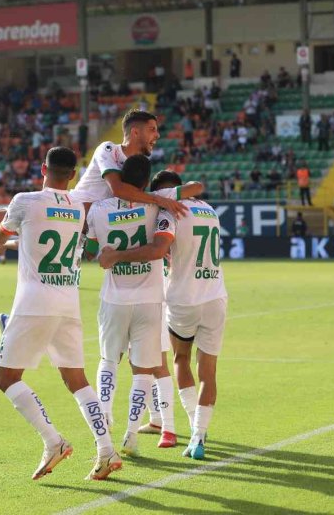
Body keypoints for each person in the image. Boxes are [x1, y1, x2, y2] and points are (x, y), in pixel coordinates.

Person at [0, 146, 122, 481]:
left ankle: (54, 441)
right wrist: (12, 240)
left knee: (6, 378)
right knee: (77, 380)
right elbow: (64, 243)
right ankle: (106, 451)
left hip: (34, 303)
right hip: (68, 301)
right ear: (73, 175)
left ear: (42, 168)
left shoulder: (25, 200)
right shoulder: (79, 206)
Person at [97, 179, 227, 461]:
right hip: (216, 295)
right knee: (208, 371)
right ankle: (198, 435)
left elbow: (158, 250)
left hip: (184, 298)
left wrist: (117, 256)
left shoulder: (171, 212)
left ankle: (191, 427)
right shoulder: (210, 210)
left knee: (180, 360)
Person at [84, 157, 203, 455]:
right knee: (143, 371)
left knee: (108, 360)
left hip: (113, 298)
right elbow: (195, 188)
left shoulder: (99, 208)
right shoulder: (157, 204)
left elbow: (89, 250)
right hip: (149, 300)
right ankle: (130, 435)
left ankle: (106, 414)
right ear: (146, 181)